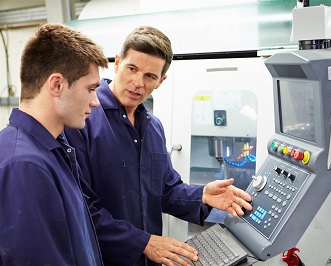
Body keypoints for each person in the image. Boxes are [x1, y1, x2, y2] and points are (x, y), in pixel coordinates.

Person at [64, 25, 253, 266]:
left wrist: (203, 195)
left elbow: (165, 190)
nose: (137, 83)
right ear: (117, 63)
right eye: (132, 69)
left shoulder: (153, 127)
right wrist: (142, 242)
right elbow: (81, 209)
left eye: (149, 76)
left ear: (161, 81)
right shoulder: (83, 120)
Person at [0, 23, 108, 265]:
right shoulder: (25, 165)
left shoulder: (53, 150)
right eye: (90, 89)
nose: (95, 102)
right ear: (56, 84)